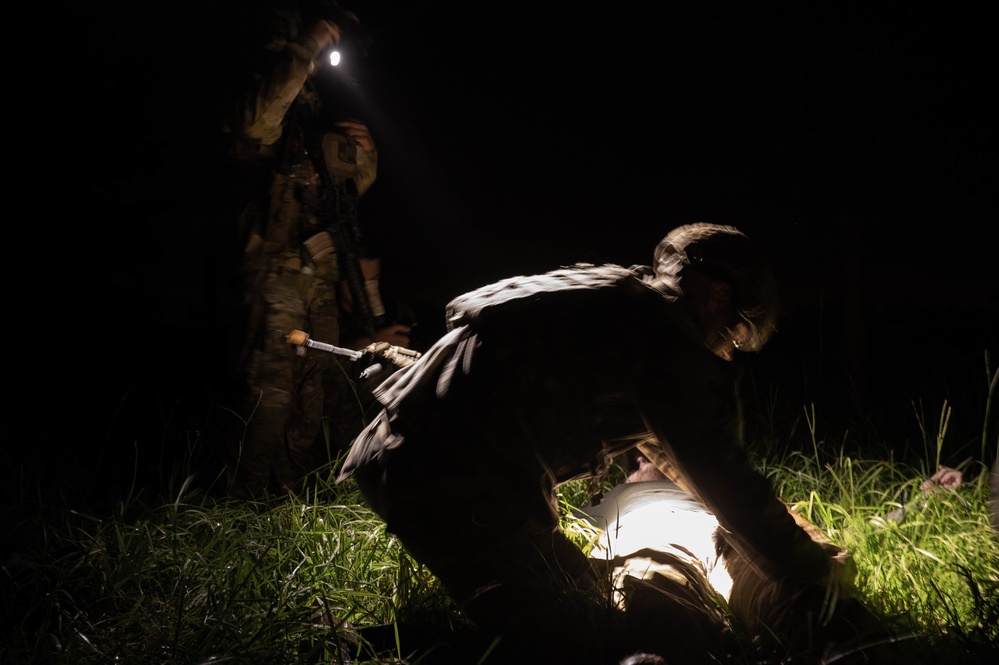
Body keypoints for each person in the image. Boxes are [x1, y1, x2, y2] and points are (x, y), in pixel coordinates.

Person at [336, 223, 864, 663]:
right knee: (579, 637)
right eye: (736, 335)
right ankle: (383, 649)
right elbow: (725, 479)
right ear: (718, 296)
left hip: (411, 459)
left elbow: (673, 454)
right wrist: (813, 569)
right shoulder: (669, 342)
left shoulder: (611, 295)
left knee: (583, 592)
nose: (727, 354)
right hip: (454, 485)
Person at [219, 0, 410, 499]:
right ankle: (242, 505)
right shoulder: (258, 109)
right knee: (269, 399)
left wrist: (364, 157)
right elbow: (257, 122)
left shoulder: (310, 126)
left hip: (319, 280)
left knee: (310, 400)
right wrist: (308, 46)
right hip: (275, 277)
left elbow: (339, 201)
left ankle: (285, 500)